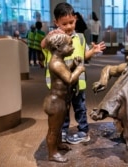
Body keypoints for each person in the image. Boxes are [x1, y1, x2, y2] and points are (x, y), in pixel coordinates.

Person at [41, 2, 106, 145]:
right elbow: (43, 46)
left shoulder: (81, 38)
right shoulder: (53, 39)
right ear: (56, 22)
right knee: (63, 108)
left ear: (76, 19)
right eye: (64, 24)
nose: (69, 26)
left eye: (71, 22)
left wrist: (93, 52)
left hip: (78, 81)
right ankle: (63, 131)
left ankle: (83, 131)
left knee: (80, 107)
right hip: (60, 84)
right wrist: (49, 36)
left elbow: (84, 55)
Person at [43, 33, 85, 162]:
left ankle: (58, 144)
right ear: (58, 47)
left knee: (59, 126)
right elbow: (69, 78)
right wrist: (79, 69)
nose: (72, 48)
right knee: (54, 129)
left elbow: (65, 72)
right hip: (56, 102)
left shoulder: (59, 61)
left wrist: (72, 64)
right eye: (70, 45)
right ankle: (52, 153)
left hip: (61, 101)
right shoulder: (56, 64)